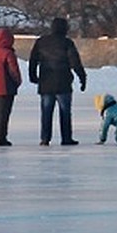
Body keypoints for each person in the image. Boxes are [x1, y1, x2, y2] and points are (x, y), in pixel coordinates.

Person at [27, 17, 87, 146]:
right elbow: (75, 62)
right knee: (65, 112)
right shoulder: (67, 43)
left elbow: (33, 60)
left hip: (46, 82)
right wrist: (82, 78)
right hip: (63, 83)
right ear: (65, 29)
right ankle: (66, 138)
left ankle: (45, 138)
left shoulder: (41, 42)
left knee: (46, 112)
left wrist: (33, 76)